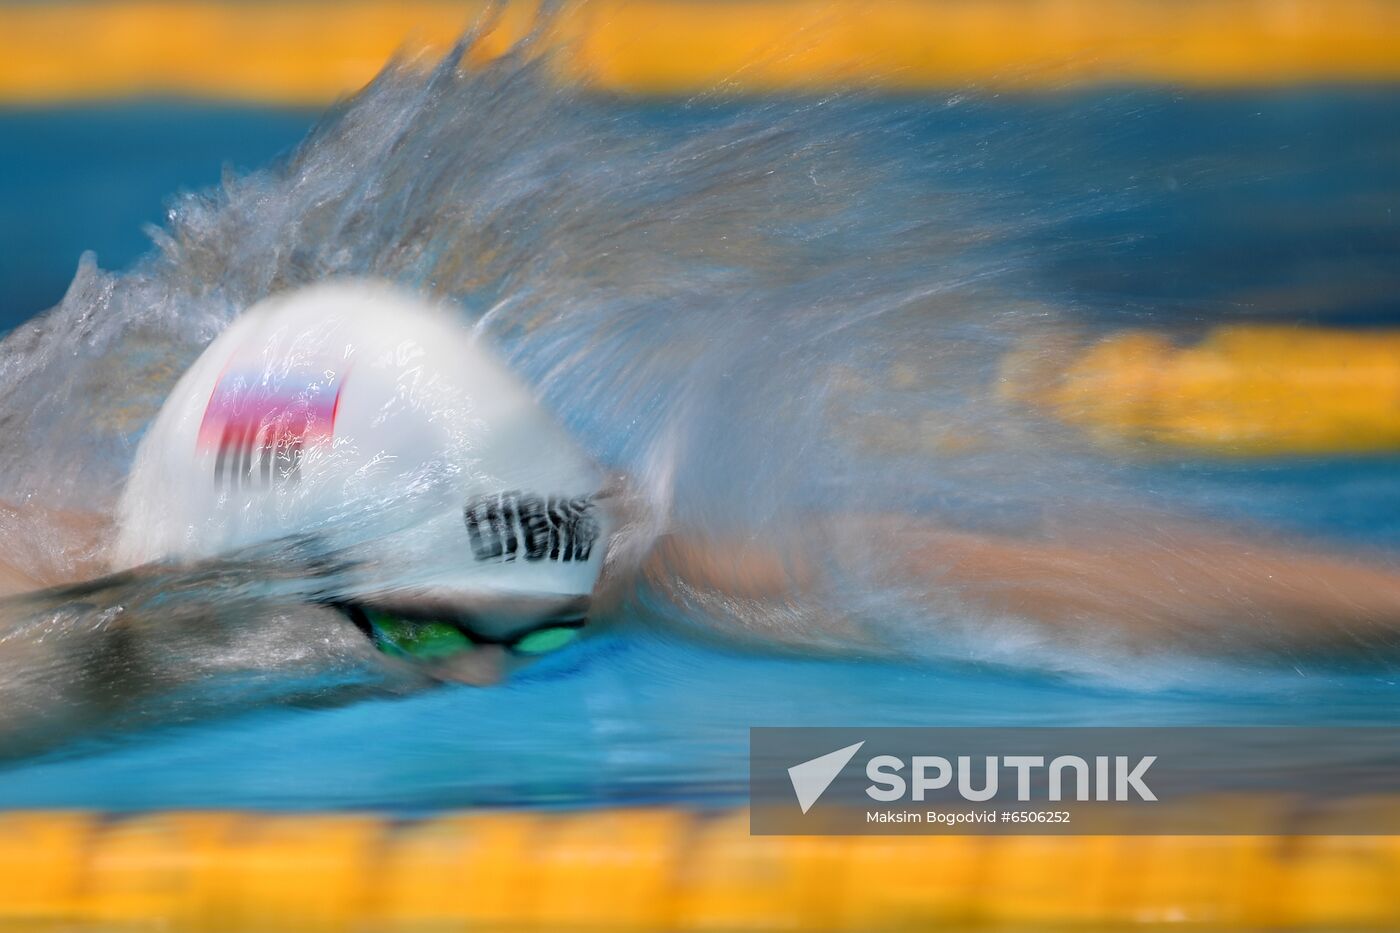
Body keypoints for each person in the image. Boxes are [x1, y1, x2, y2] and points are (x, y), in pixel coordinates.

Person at [6, 279, 1400, 690]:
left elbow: (943, 580)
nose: (489, 679)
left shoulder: (551, 548)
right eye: (428, 633)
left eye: (526, 633)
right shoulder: (76, 648)